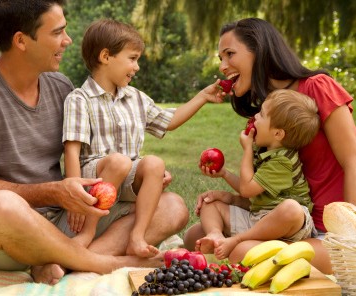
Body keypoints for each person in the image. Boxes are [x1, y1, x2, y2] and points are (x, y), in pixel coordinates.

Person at [0, 0, 187, 286]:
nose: (68, 41)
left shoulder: (60, 87)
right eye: (57, 33)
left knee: (172, 206)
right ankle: (105, 262)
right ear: (21, 40)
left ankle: (59, 263)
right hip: (4, 233)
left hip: (63, 222)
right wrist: (54, 192)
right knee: (1, 206)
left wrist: (139, 173)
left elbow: (92, 157)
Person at [183, 17, 356, 274]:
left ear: (259, 50)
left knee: (240, 252)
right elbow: (269, 186)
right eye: (221, 57)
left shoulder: (318, 87)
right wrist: (230, 197)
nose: (223, 66)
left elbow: (352, 159)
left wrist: (350, 235)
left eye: (230, 54)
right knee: (193, 237)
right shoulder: (262, 119)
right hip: (283, 222)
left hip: (326, 230)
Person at [62, 19, 224, 258]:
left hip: (126, 178)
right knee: (118, 162)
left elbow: (169, 121)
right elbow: (72, 152)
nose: (137, 67)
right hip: (93, 179)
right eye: (132, 58)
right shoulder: (80, 99)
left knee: (154, 163)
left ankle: (136, 237)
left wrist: (201, 96)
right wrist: (75, 197)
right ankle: (86, 233)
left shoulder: (135, 98)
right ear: (106, 56)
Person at [195, 89, 320, 260]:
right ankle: (216, 236)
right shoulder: (264, 151)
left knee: (291, 208)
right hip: (258, 218)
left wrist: (247, 150)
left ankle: (237, 239)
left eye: (261, 114)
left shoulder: (283, 161)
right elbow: (249, 188)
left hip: (287, 226)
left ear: (277, 133)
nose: (255, 117)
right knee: (210, 203)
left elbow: (246, 190)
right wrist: (224, 174)